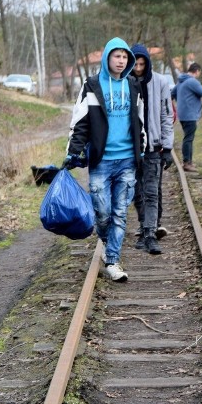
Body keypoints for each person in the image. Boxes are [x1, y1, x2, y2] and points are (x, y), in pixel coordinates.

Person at [63, 37, 144, 282]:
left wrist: (144, 147)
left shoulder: (132, 85)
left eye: (124, 57)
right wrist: (73, 151)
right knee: (103, 213)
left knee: (120, 213)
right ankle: (108, 238)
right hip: (101, 161)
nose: (121, 61)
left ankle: (112, 260)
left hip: (128, 159)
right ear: (107, 57)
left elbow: (139, 120)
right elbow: (81, 122)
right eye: (116, 56)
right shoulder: (92, 85)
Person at [130, 44, 174, 254]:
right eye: (135, 63)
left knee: (151, 191)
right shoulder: (125, 82)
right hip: (129, 147)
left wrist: (167, 146)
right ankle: (143, 226)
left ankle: (150, 233)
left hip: (153, 146)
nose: (138, 68)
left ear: (147, 63)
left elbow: (167, 115)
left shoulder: (160, 82)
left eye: (142, 64)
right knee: (136, 191)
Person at [171, 62, 202, 172]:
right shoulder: (192, 81)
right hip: (190, 115)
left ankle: (188, 162)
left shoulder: (181, 81)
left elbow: (172, 94)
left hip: (183, 114)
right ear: (197, 71)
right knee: (188, 139)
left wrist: (180, 102)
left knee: (188, 137)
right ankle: (187, 163)